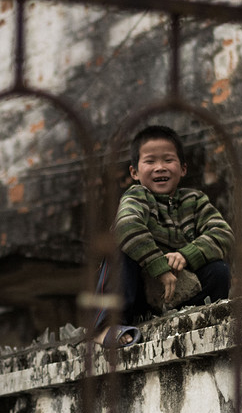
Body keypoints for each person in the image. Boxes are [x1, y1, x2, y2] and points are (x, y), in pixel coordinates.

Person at [93, 124, 233, 346]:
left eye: (168, 160)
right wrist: (159, 266)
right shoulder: (136, 196)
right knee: (120, 245)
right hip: (139, 290)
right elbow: (127, 226)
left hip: (176, 291)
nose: (160, 167)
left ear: (183, 168)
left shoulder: (195, 201)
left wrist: (186, 255)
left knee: (219, 270)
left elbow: (222, 233)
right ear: (134, 172)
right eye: (150, 161)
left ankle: (199, 316)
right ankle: (107, 326)